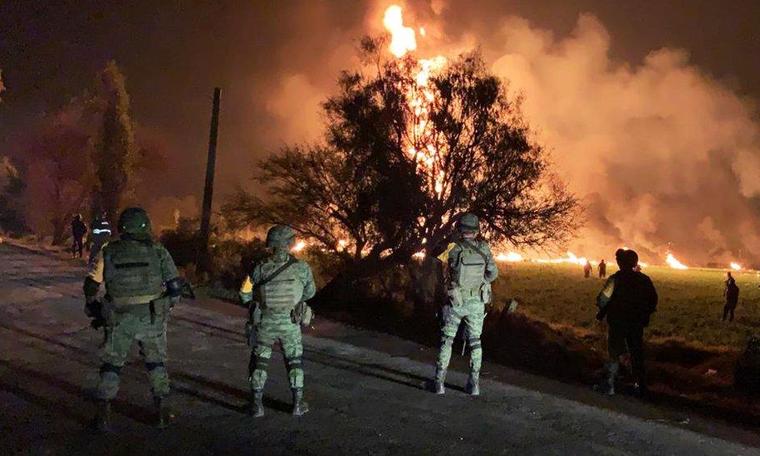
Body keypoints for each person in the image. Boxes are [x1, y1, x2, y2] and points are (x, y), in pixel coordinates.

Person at [83, 207, 182, 432]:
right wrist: (167, 306)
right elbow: (175, 286)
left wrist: (92, 306)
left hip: (118, 316)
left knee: (112, 364)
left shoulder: (108, 251)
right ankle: (162, 412)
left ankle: (103, 415)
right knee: (155, 363)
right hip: (151, 317)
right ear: (146, 225)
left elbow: (91, 284)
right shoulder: (158, 251)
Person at [239, 225, 316, 417]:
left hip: (265, 322)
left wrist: (252, 304)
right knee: (294, 361)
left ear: (271, 244)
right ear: (290, 244)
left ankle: (257, 406)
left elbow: (244, 292)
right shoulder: (302, 268)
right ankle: (298, 404)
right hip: (291, 323)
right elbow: (310, 292)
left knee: (260, 362)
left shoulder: (259, 268)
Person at [432, 213, 498, 396]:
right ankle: (474, 385)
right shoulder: (484, 248)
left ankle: (439, 384)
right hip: (477, 302)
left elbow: (435, 257)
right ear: (476, 230)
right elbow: (493, 274)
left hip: (456, 301)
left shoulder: (452, 248)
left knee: (447, 340)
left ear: (460, 229)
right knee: (476, 342)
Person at [595, 249, 657, 397]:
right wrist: (644, 315)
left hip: (617, 322)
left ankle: (612, 384)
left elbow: (602, 299)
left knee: (614, 352)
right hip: (636, 323)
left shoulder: (615, 280)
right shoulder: (644, 280)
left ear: (620, 263)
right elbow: (653, 299)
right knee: (637, 353)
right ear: (635, 263)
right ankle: (640, 386)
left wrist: (603, 309)